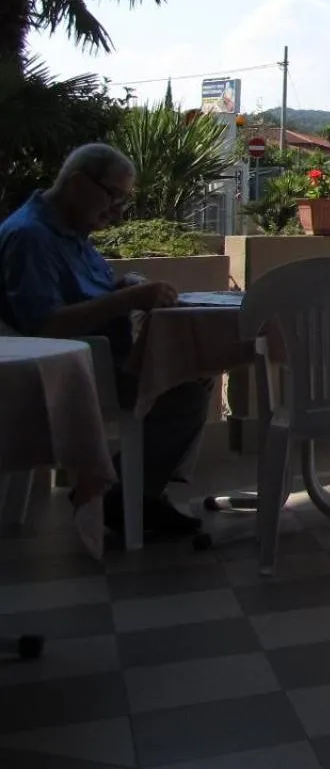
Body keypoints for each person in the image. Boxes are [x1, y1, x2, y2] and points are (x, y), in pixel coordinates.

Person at [0, 144, 211, 538]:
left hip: (101, 360)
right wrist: (127, 300)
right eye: (113, 195)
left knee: (196, 368)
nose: (117, 210)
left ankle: (131, 491)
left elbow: (83, 296)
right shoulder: (31, 237)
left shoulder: (73, 231)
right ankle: (124, 496)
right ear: (78, 183)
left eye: (123, 200)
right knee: (186, 385)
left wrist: (124, 288)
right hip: (69, 374)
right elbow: (44, 327)